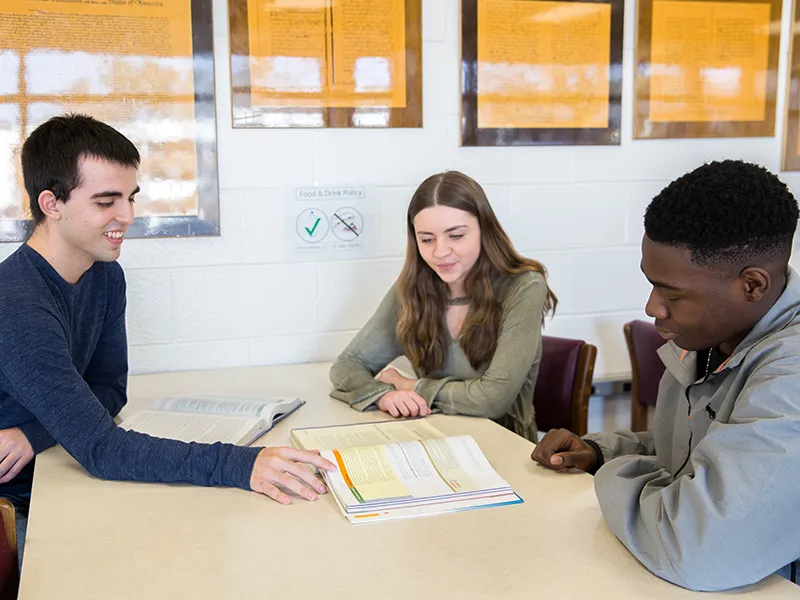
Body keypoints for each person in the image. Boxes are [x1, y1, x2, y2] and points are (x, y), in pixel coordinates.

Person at [0, 114, 335, 565]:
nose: (128, 217)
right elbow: (102, 450)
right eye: (106, 201)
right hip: (21, 503)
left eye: (130, 198)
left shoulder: (104, 276)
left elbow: (109, 391)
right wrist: (242, 465)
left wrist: (34, 432)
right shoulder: (16, 302)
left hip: (58, 466)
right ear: (51, 203)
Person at [531, 160, 800, 591]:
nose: (652, 307)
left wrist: (611, 475)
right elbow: (701, 448)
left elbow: (695, 548)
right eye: (652, 284)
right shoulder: (711, 336)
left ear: (752, 285)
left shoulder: (791, 373)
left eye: (672, 293)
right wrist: (602, 451)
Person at [330, 171, 557, 441]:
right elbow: (347, 365)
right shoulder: (413, 286)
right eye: (427, 239)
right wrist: (383, 395)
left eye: (456, 236)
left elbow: (492, 400)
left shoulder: (523, 286)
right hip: (434, 440)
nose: (440, 252)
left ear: (484, 230)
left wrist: (411, 386)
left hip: (505, 445)